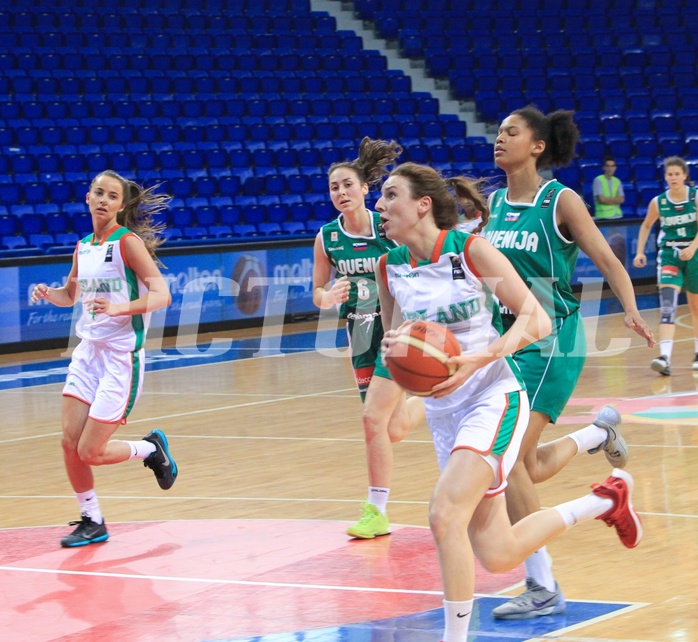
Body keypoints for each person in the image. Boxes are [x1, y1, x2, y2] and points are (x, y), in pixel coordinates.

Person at [374, 161, 643, 642]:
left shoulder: (471, 250)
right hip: (444, 416)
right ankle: (603, 501)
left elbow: (535, 320)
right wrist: (400, 397)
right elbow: (397, 346)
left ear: (422, 204)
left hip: (493, 397)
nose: (380, 205)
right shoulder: (388, 265)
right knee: (497, 552)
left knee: (443, 514)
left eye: (391, 195)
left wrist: (478, 359)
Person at [484, 106, 655, 619]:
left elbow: (606, 259)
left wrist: (628, 308)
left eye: (511, 132)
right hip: (506, 341)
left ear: (537, 146)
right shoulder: (492, 202)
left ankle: (542, 585)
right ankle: (597, 434)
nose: (499, 139)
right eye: (497, 132)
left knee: (509, 461)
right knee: (525, 467)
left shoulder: (560, 200)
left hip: (551, 341)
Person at [30, 170, 178, 548]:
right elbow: (70, 294)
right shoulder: (83, 246)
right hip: (88, 353)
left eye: (111, 196)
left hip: (121, 359)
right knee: (68, 441)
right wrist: (50, 293)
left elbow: (162, 295)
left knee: (90, 451)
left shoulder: (127, 243)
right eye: (98, 192)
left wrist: (119, 308)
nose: (102, 200)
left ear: (121, 204)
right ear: (87, 196)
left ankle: (150, 449)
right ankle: (92, 519)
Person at [312, 137, 426, 539]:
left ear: (365, 189)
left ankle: (376, 511)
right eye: (333, 187)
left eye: (347, 185)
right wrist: (327, 298)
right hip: (360, 335)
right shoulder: (326, 237)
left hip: (396, 329)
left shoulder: (389, 228)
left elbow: (419, 263)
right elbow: (318, 292)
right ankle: (427, 399)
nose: (340, 193)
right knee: (389, 429)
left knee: (372, 421)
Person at [633, 156, 698, 376]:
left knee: (695, 308)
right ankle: (664, 357)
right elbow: (647, 225)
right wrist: (640, 251)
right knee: (668, 306)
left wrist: (692, 247)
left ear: (685, 175)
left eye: (677, 174)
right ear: (665, 177)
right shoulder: (658, 202)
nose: (673, 178)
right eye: (669, 174)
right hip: (670, 255)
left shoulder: (695, 197)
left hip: (694, 255)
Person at [593, 155, 625, 220]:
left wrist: (607, 199)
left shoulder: (617, 181)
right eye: (608, 166)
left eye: (612, 166)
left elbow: (621, 199)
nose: (610, 169)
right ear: (604, 167)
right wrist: (616, 200)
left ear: (615, 168)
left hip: (618, 215)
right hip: (603, 217)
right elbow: (601, 200)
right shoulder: (598, 180)